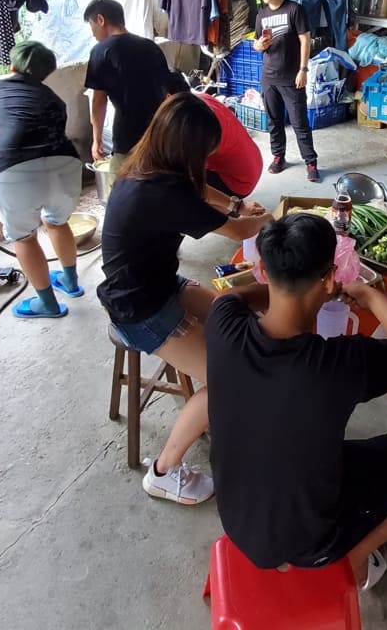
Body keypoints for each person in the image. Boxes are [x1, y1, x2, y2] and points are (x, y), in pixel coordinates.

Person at [206, 213, 387, 590]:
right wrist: (370, 295)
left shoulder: (222, 321)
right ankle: (356, 556)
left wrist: (285, 290)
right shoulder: (338, 363)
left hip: (235, 513)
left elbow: (233, 296)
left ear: (261, 267)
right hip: (306, 541)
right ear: (329, 279)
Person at [98, 93, 271, 504]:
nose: (210, 157)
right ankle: (163, 471)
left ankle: (215, 414)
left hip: (160, 285)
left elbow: (201, 192)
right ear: (186, 149)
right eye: (206, 151)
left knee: (238, 320)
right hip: (139, 310)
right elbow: (240, 232)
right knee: (232, 378)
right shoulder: (159, 192)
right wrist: (270, 219)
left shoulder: (152, 164)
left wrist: (235, 203)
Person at [0, 40, 82, 319]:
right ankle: (71, 283)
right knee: (57, 222)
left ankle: (48, 305)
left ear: (12, 65)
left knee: (25, 239)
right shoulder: (53, 98)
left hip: (15, 173)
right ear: (45, 73)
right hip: (66, 164)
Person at [83, 0, 170, 169]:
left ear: (100, 20)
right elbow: (166, 90)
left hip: (127, 133)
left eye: (91, 26)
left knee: (123, 183)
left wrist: (96, 139)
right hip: (160, 129)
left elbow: (99, 101)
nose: (92, 33)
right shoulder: (151, 47)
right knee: (157, 179)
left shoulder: (100, 51)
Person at [254, 0, 320, 183]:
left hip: (292, 77)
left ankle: (310, 162)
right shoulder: (261, 15)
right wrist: (259, 45)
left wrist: (303, 69)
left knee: (299, 122)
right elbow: (256, 43)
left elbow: (305, 40)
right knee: (274, 121)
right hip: (269, 77)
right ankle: (278, 156)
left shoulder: (294, 9)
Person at [165, 71, 263, 200]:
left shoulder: (191, 123)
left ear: (168, 97)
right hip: (253, 165)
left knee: (176, 184)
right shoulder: (201, 98)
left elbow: (185, 171)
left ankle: (221, 210)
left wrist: (234, 206)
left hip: (238, 182)